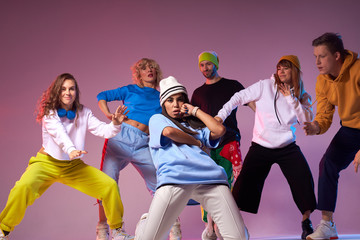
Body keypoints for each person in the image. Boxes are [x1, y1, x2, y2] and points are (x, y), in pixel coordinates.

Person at [0, 73, 129, 240]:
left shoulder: (84, 112)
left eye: (72, 89)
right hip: (46, 164)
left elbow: (102, 130)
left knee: (109, 186)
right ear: (57, 92)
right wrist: (71, 149)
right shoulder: (50, 112)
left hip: (72, 167)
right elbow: (59, 133)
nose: (68, 92)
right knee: (22, 188)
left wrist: (115, 124)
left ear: (76, 92)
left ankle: (118, 232)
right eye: (63, 89)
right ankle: (3, 231)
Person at [134, 76, 249, 240]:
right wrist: (195, 141)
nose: (175, 104)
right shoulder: (157, 119)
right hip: (175, 178)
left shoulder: (196, 126)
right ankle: (146, 223)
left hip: (210, 179)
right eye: (170, 100)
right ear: (163, 104)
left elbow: (219, 130)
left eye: (180, 99)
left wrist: (195, 111)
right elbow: (169, 133)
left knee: (239, 237)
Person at [217, 55, 317, 239]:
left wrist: (291, 98)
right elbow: (239, 97)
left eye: (286, 68)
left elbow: (306, 120)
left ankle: (306, 223)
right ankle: (229, 226)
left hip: (287, 146)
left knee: (303, 180)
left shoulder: (302, 95)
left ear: (294, 71)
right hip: (261, 145)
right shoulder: (265, 86)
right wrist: (220, 116)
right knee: (243, 187)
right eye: (279, 68)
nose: (281, 71)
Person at [96, 58, 181, 240]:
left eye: (152, 67)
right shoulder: (130, 89)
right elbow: (101, 95)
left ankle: (173, 225)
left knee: (161, 183)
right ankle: (104, 228)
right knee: (106, 183)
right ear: (139, 74)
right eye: (144, 68)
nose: (149, 70)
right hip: (119, 138)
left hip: (143, 143)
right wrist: (109, 115)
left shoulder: (161, 98)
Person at [191, 51, 255, 239]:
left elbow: (250, 101)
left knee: (230, 184)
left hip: (229, 141)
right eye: (202, 65)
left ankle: (231, 226)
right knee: (208, 183)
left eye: (208, 64)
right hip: (207, 145)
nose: (205, 68)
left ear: (216, 64)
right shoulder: (198, 93)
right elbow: (193, 120)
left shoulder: (232, 85)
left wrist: (265, 117)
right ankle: (210, 226)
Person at [303, 32, 360, 240]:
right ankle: (327, 225)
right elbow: (325, 115)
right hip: (351, 129)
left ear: (337, 55)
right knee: (327, 164)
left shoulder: (358, 70)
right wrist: (316, 127)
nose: (317, 62)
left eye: (322, 56)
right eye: (315, 57)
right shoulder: (323, 81)